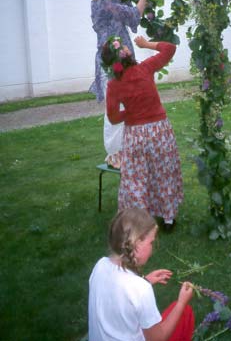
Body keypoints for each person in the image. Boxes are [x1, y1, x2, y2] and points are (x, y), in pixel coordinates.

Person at [104, 35, 183, 231]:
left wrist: (129, 112)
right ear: (125, 54)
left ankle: (140, 223)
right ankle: (168, 219)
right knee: (164, 172)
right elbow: (170, 48)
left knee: (136, 178)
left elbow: (113, 118)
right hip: (159, 131)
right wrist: (146, 44)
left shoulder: (113, 85)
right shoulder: (145, 68)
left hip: (135, 135)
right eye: (125, 46)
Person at [88, 207, 195, 341]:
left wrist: (145, 280)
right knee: (185, 313)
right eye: (151, 242)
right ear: (136, 244)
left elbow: (120, 297)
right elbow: (158, 339)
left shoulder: (100, 266)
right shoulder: (141, 290)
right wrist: (181, 303)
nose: (153, 248)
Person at [89, 0, 154, 168]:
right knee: (117, 106)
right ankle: (115, 154)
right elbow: (135, 14)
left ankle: (121, 151)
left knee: (118, 103)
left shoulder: (100, 1)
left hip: (111, 58)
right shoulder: (108, 5)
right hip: (115, 61)